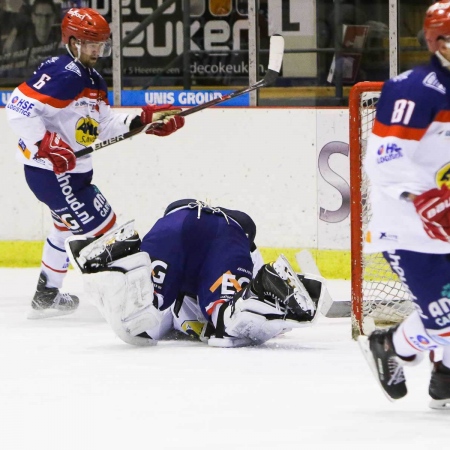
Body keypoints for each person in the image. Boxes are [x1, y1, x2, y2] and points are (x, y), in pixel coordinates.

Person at [5, 7, 185, 320]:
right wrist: (42, 143)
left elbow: (102, 125)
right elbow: (18, 107)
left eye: (101, 44)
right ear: (72, 41)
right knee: (111, 233)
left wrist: (143, 119)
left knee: (63, 229)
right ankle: (134, 306)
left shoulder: (92, 79)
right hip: (56, 174)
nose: (97, 50)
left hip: (71, 175)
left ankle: (46, 296)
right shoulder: (64, 74)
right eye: (91, 44)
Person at [65, 199, 326, 347]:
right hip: (227, 233)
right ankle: (118, 258)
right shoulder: (185, 315)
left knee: (143, 317)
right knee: (226, 322)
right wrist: (279, 312)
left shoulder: (166, 320)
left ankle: (117, 258)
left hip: (175, 224)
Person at [358, 1, 450, 409]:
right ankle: (391, 343)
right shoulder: (415, 87)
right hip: (411, 226)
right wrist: (424, 199)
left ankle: (442, 373)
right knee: (447, 321)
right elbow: (383, 157)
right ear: (437, 41)